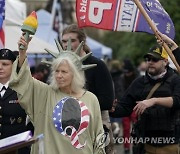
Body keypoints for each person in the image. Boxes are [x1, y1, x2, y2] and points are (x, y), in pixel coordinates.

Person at [9, 34, 106, 154]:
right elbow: (24, 82)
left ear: (75, 74)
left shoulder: (91, 99)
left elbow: (98, 135)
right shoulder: (45, 94)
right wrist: (22, 53)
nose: (59, 75)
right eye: (57, 71)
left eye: (64, 72)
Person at [110, 45, 180, 154]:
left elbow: (178, 100)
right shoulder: (139, 83)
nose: (150, 62)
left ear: (165, 62)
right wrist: (113, 109)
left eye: (155, 59)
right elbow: (125, 107)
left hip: (171, 145)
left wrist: (153, 100)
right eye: (148, 59)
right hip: (147, 145)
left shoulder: (175, 80)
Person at [60, 24, 115, 154]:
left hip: (96, 123)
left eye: (72, 40)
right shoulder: (60, 66)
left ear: (82, 42)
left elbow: (107, 101)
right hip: (68, 126)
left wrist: (77, 104)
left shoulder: (97, 65)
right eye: (63, 41)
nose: (67, 45)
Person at [0, 49, 31, 154]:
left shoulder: (22, 90)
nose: (0, 67)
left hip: (18, 149)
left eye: (5, 64)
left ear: (13, 66)